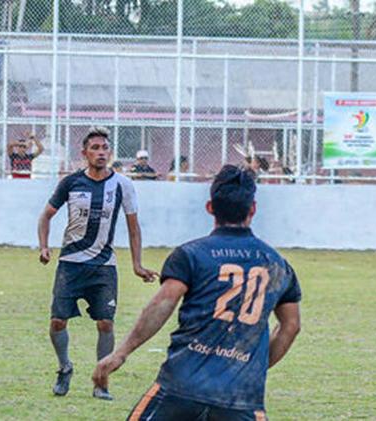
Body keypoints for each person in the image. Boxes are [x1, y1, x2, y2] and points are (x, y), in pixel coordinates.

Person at [93, 165, 302, 420]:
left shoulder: (191, 255)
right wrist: (250, 366)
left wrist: (121, 353)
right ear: (253, 209)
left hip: (181, 386)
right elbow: (291, 326)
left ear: (210, 207)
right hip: (240, 397)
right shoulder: (278, 264)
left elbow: (162, 303)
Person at [37, 127, 158, 400]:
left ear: (110, 152)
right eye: (95, 148)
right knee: (57, 321)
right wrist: (44, 246)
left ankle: (101, 382)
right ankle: (64, 367)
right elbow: (45, 216)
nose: (101, 152)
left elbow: (134, 228)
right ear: (84, 153)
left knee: (105, 323)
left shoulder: (123, 185)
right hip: (70, 264)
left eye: (105, 148)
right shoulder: (70, 183)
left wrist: (137, 265)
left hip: (104, 267)